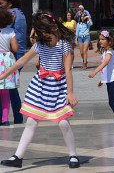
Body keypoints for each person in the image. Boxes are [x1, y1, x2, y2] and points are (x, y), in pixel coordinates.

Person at [0, 12, 80, 169]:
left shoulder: (65, 46)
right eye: (41, 32)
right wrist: (3, 75)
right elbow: (21, 61)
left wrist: (70, 93)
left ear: (54, 27)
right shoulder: (39, 45)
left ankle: (73, 155)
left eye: (46, 31)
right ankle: (18, 156)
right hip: (41, 85)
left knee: (63, 122)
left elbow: (68, 70)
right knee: (31, 121)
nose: (45, 35)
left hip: (59, 85)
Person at [0, 0, 26, 124]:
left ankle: (14, 117)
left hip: (13, 54)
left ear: (9, 4)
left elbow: (6, 31)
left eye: (1, 3)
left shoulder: (10, 14)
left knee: (9, 88)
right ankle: (16, 117)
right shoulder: (20, 13)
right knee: (10, 87)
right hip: (17, 53)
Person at [88, 30, 114, 119]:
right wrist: (102, 79)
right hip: (110, 80)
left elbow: (105, 63)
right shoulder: (105, 51)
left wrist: (94, 72)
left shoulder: (109, 52)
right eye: (100, 39)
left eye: (103, 39)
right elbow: (107, 68)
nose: (100, 41)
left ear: (109, 41)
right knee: (112, 102)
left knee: (113, 102)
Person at [0, 9, 18, 126]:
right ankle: (5, 119)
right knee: (5, 93)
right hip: (6, 61)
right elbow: (15, 48)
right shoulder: (10, 32)